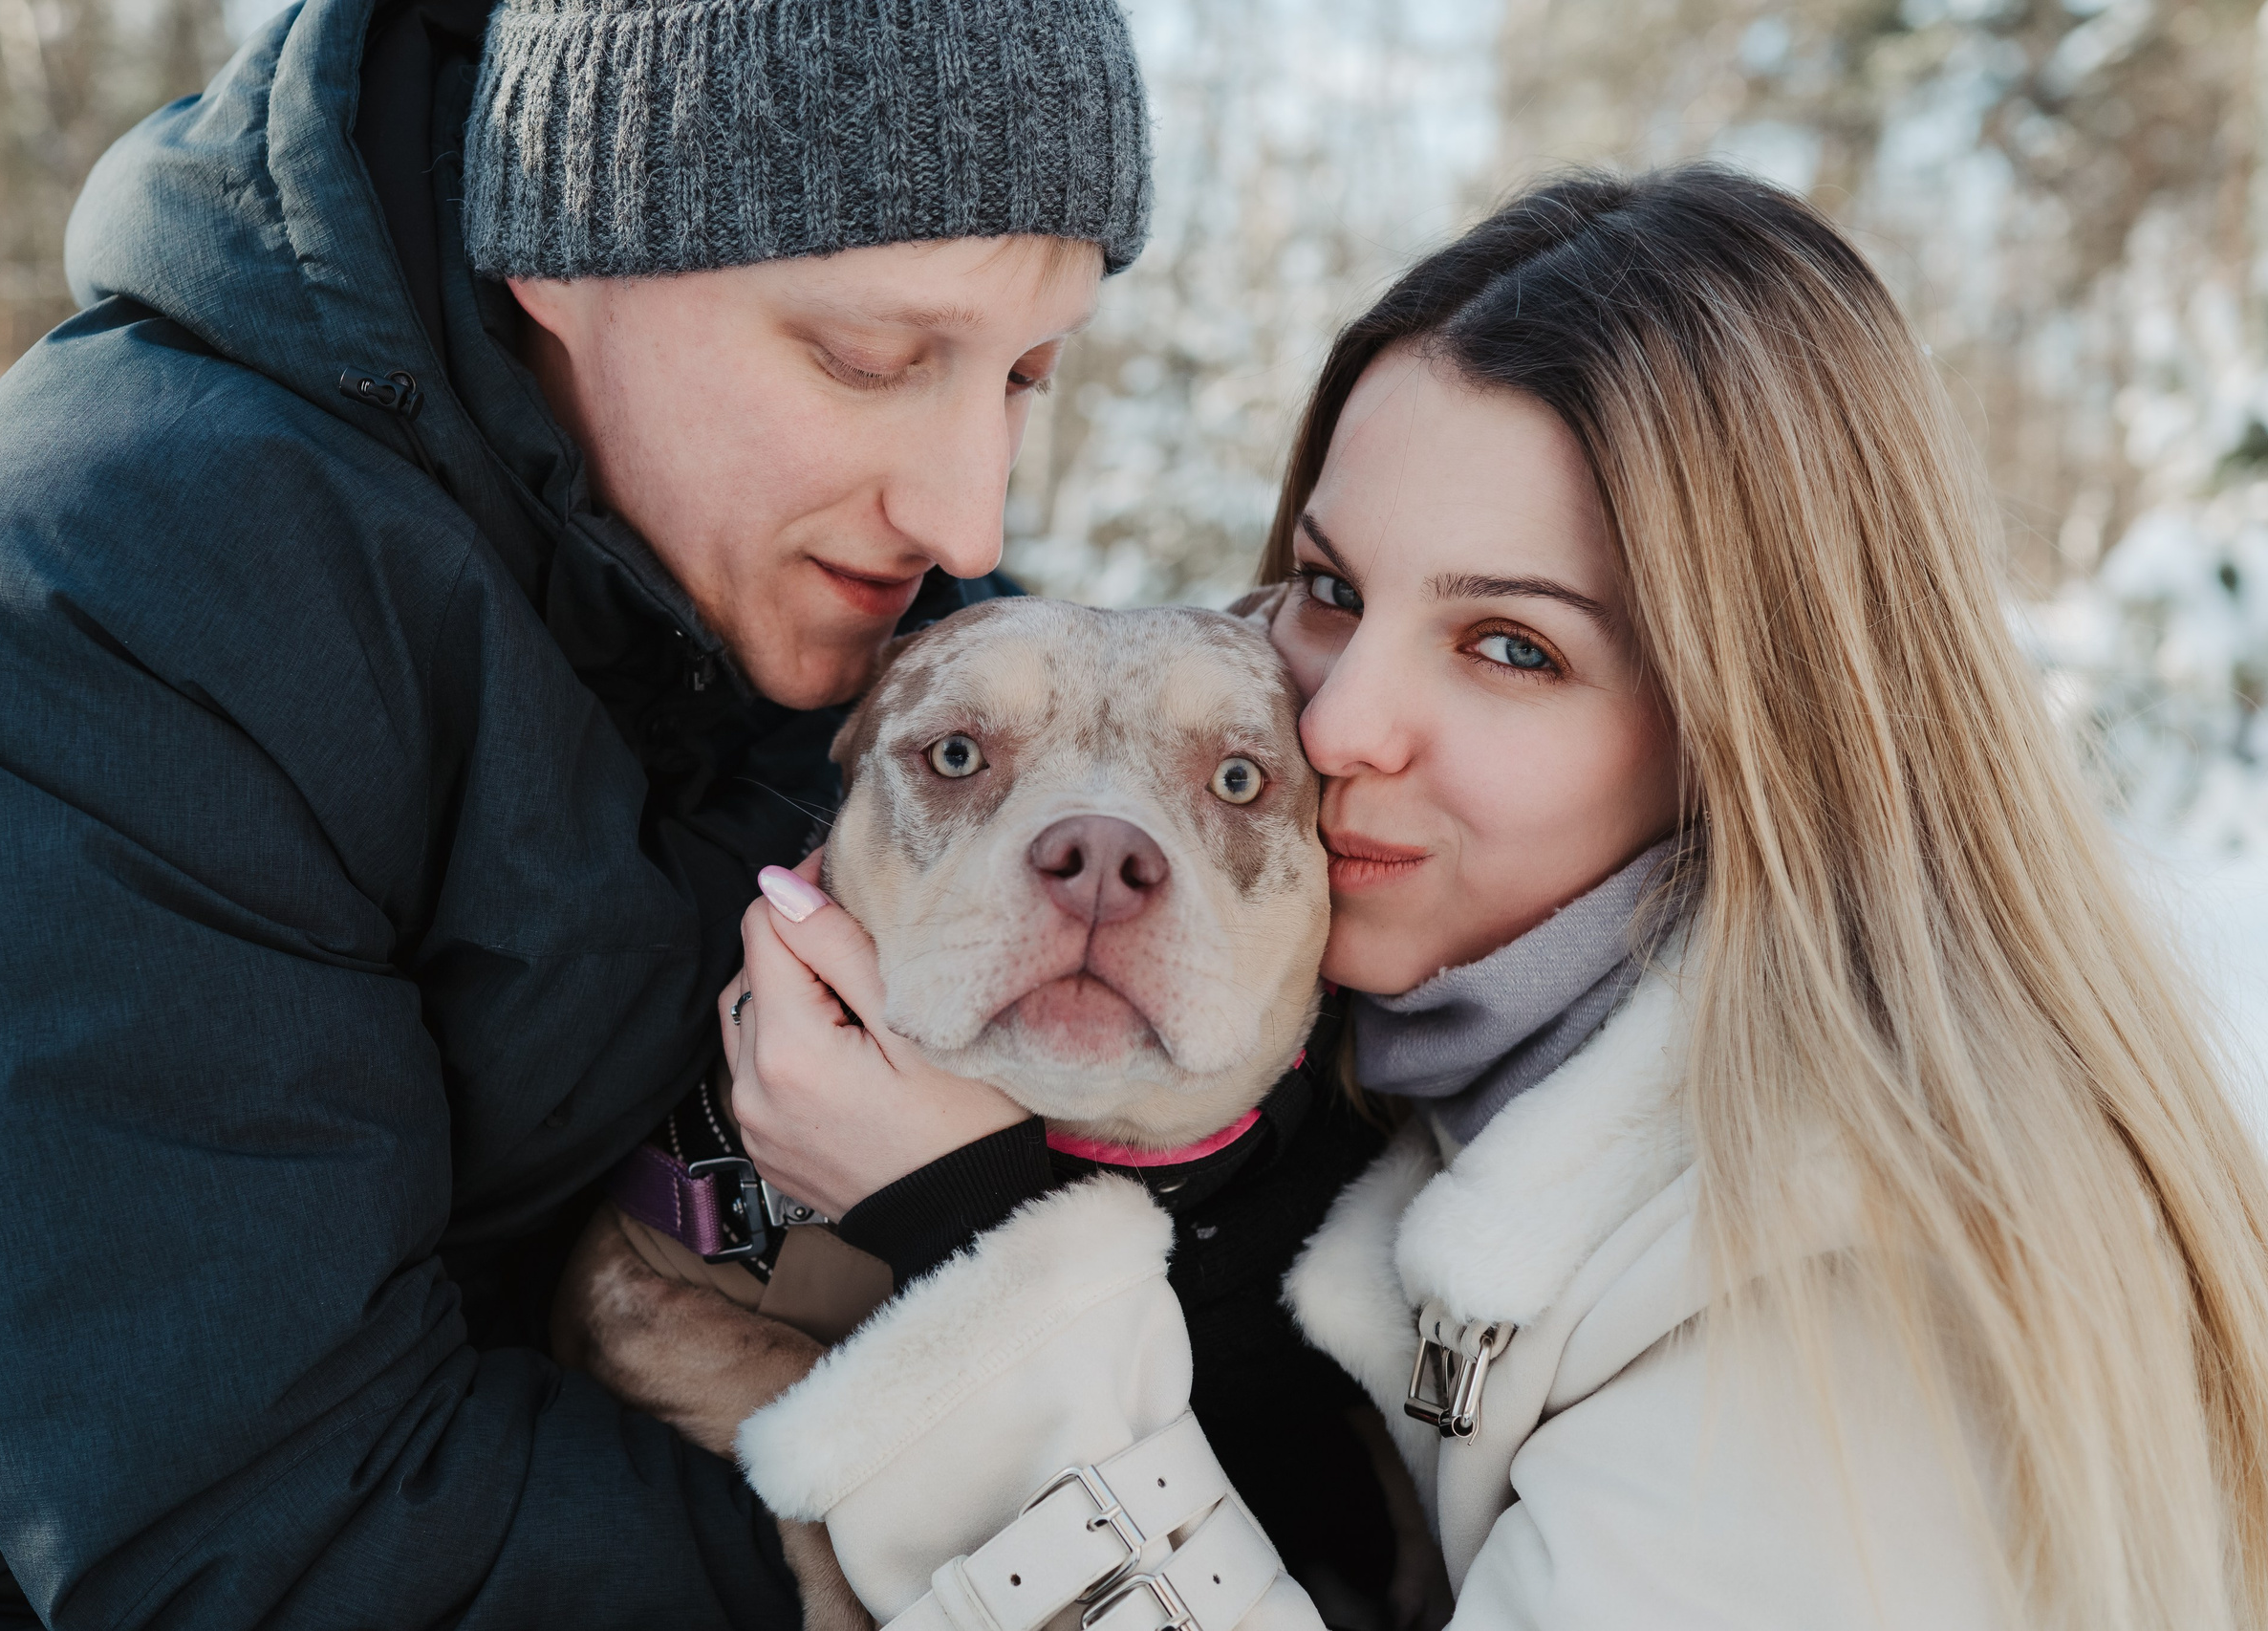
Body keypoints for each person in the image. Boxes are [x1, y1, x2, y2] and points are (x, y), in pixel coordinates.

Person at [715, 166, 2268, 1631]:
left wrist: (981, 1257)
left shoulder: (1849, 1290)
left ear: (1753, 729)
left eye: (1513, 648)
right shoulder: (1451, 1079)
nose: (1332, 726)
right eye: (1333, 591)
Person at [0, 0, 1150, 1622]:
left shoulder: (887, 617)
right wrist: (962, 1539)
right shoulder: (103, 608)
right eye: (873, 358)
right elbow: (285, 1535)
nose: (967, 508)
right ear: (563, 245)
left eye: (1027, 373)